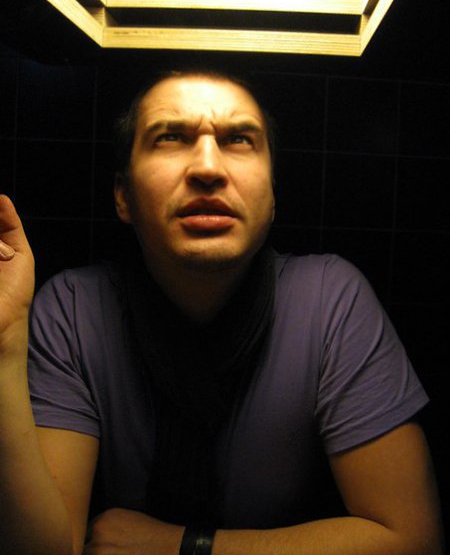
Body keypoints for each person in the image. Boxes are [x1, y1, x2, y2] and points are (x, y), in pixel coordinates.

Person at [0, 69, 444, 555]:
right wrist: (4, 346)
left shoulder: (330, 300)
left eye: (238, 139)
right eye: (170, 137)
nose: (208, 168)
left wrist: (183, 546)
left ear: (271, 195)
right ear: (123, 196)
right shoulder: (73, 310)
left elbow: (413, 541)